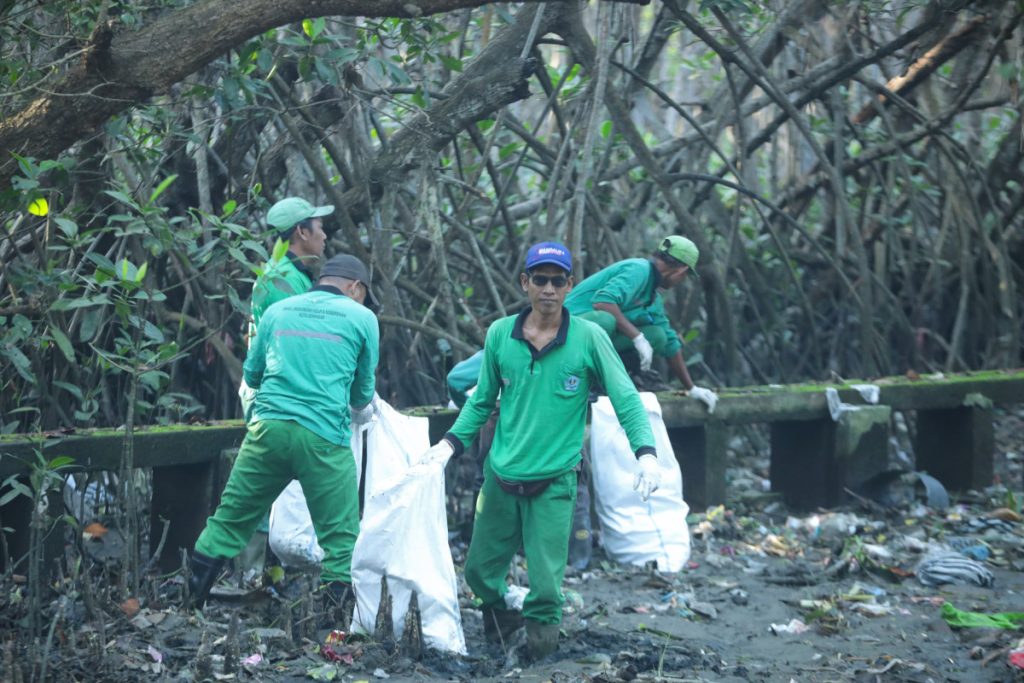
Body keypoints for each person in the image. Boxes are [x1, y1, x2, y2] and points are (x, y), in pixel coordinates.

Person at [420, 242, 660, 660]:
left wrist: (646, 453)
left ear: (570, 285)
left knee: (547, 587)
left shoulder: (589, 337)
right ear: (525, 283)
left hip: (555, 479)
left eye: (557, 280)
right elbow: (480, 402)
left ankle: (541, 659)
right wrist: (448, 446)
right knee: (479, 572)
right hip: (502, 473)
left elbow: (624, 396)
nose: (548, 289)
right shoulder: (500, 334)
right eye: (540, 279)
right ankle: (501, 630)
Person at [187, 254, 381, 615]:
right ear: (356, 288)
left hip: (267, 433)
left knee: (229, 521)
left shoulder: (279, 311)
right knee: (341, 539)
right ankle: (332, 630)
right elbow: (360, 396)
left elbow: (254, 375)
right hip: (323, 440)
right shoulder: (363, 318)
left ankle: (188, 606)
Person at [565, 235, 717, 411]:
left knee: (657, 336)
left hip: (588, 343)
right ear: (680, 271)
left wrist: (691, 388)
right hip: (564, 334)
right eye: (684, 277)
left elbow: (669, 343)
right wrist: (637, 337)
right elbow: (603, 303)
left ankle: (602, 381)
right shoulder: (639, 270)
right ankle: (577, 380)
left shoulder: (652, 297)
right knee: (605, 319)